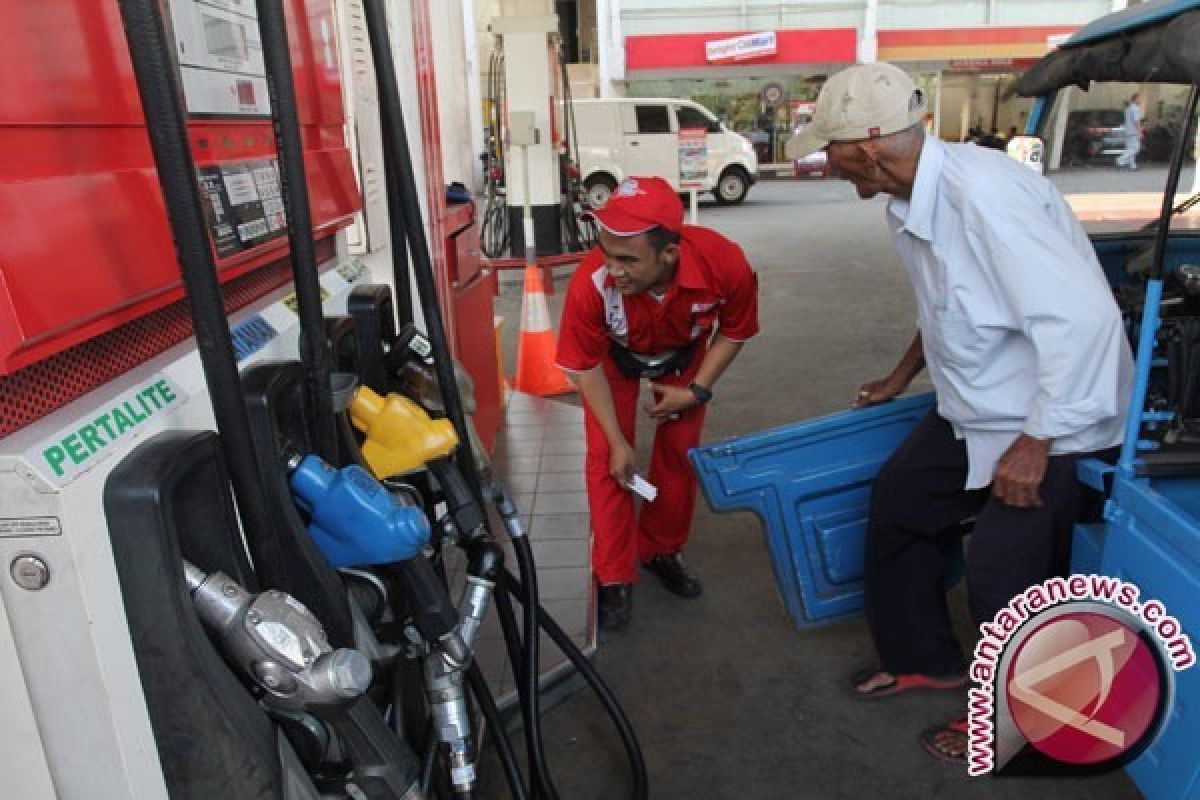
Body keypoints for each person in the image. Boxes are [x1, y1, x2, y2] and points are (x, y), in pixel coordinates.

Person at [787, 63, 1133, 761]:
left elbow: (1086, 322)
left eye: (834, 149)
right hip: (977, 405)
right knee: (901, 501)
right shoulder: (908, 203)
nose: (827, 164)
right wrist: (901, 374)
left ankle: (1024, 720)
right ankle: (926, 658)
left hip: (1052, 415)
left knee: (1003, 574)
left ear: (873, 143)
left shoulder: (986, 196)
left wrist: (1038, 441)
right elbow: (948, 303)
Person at [555, 176, 759, 630]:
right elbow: (584, 367)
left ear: (670, 254)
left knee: (679, 452)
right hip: (614, 357)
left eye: (628, 259)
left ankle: (661, 549)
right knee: (609, 458)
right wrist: (617, 440)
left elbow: (736, 329)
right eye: (607, 253)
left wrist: (698, 389)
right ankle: (612, 574)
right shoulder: (592, 284)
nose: (614, 269)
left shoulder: (724, 262)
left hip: (685, 358)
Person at [1117, 93, 1143, 170]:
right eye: (1139, 99)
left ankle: (1132, 166)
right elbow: (1136, 121)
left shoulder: (1128, 108)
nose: (1140, 100)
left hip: (1128, 131)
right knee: (1135, 148)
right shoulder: (1135, 108)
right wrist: (1139, 131)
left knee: (1130, 148)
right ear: (1135, 99)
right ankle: (1120, 160)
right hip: (1133, 131)